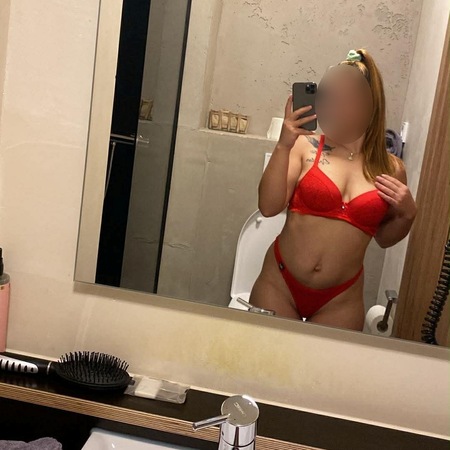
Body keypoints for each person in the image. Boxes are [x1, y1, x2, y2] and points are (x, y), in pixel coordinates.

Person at [249, 49, 417, 331]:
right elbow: (268, 207)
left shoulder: (391, 168)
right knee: (265, 358)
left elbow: (384, 239)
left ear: (370, 104)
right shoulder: (304, 145)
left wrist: (408, 214)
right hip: (280, 284)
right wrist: (283, 145)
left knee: (328, 362)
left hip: (340, 300)